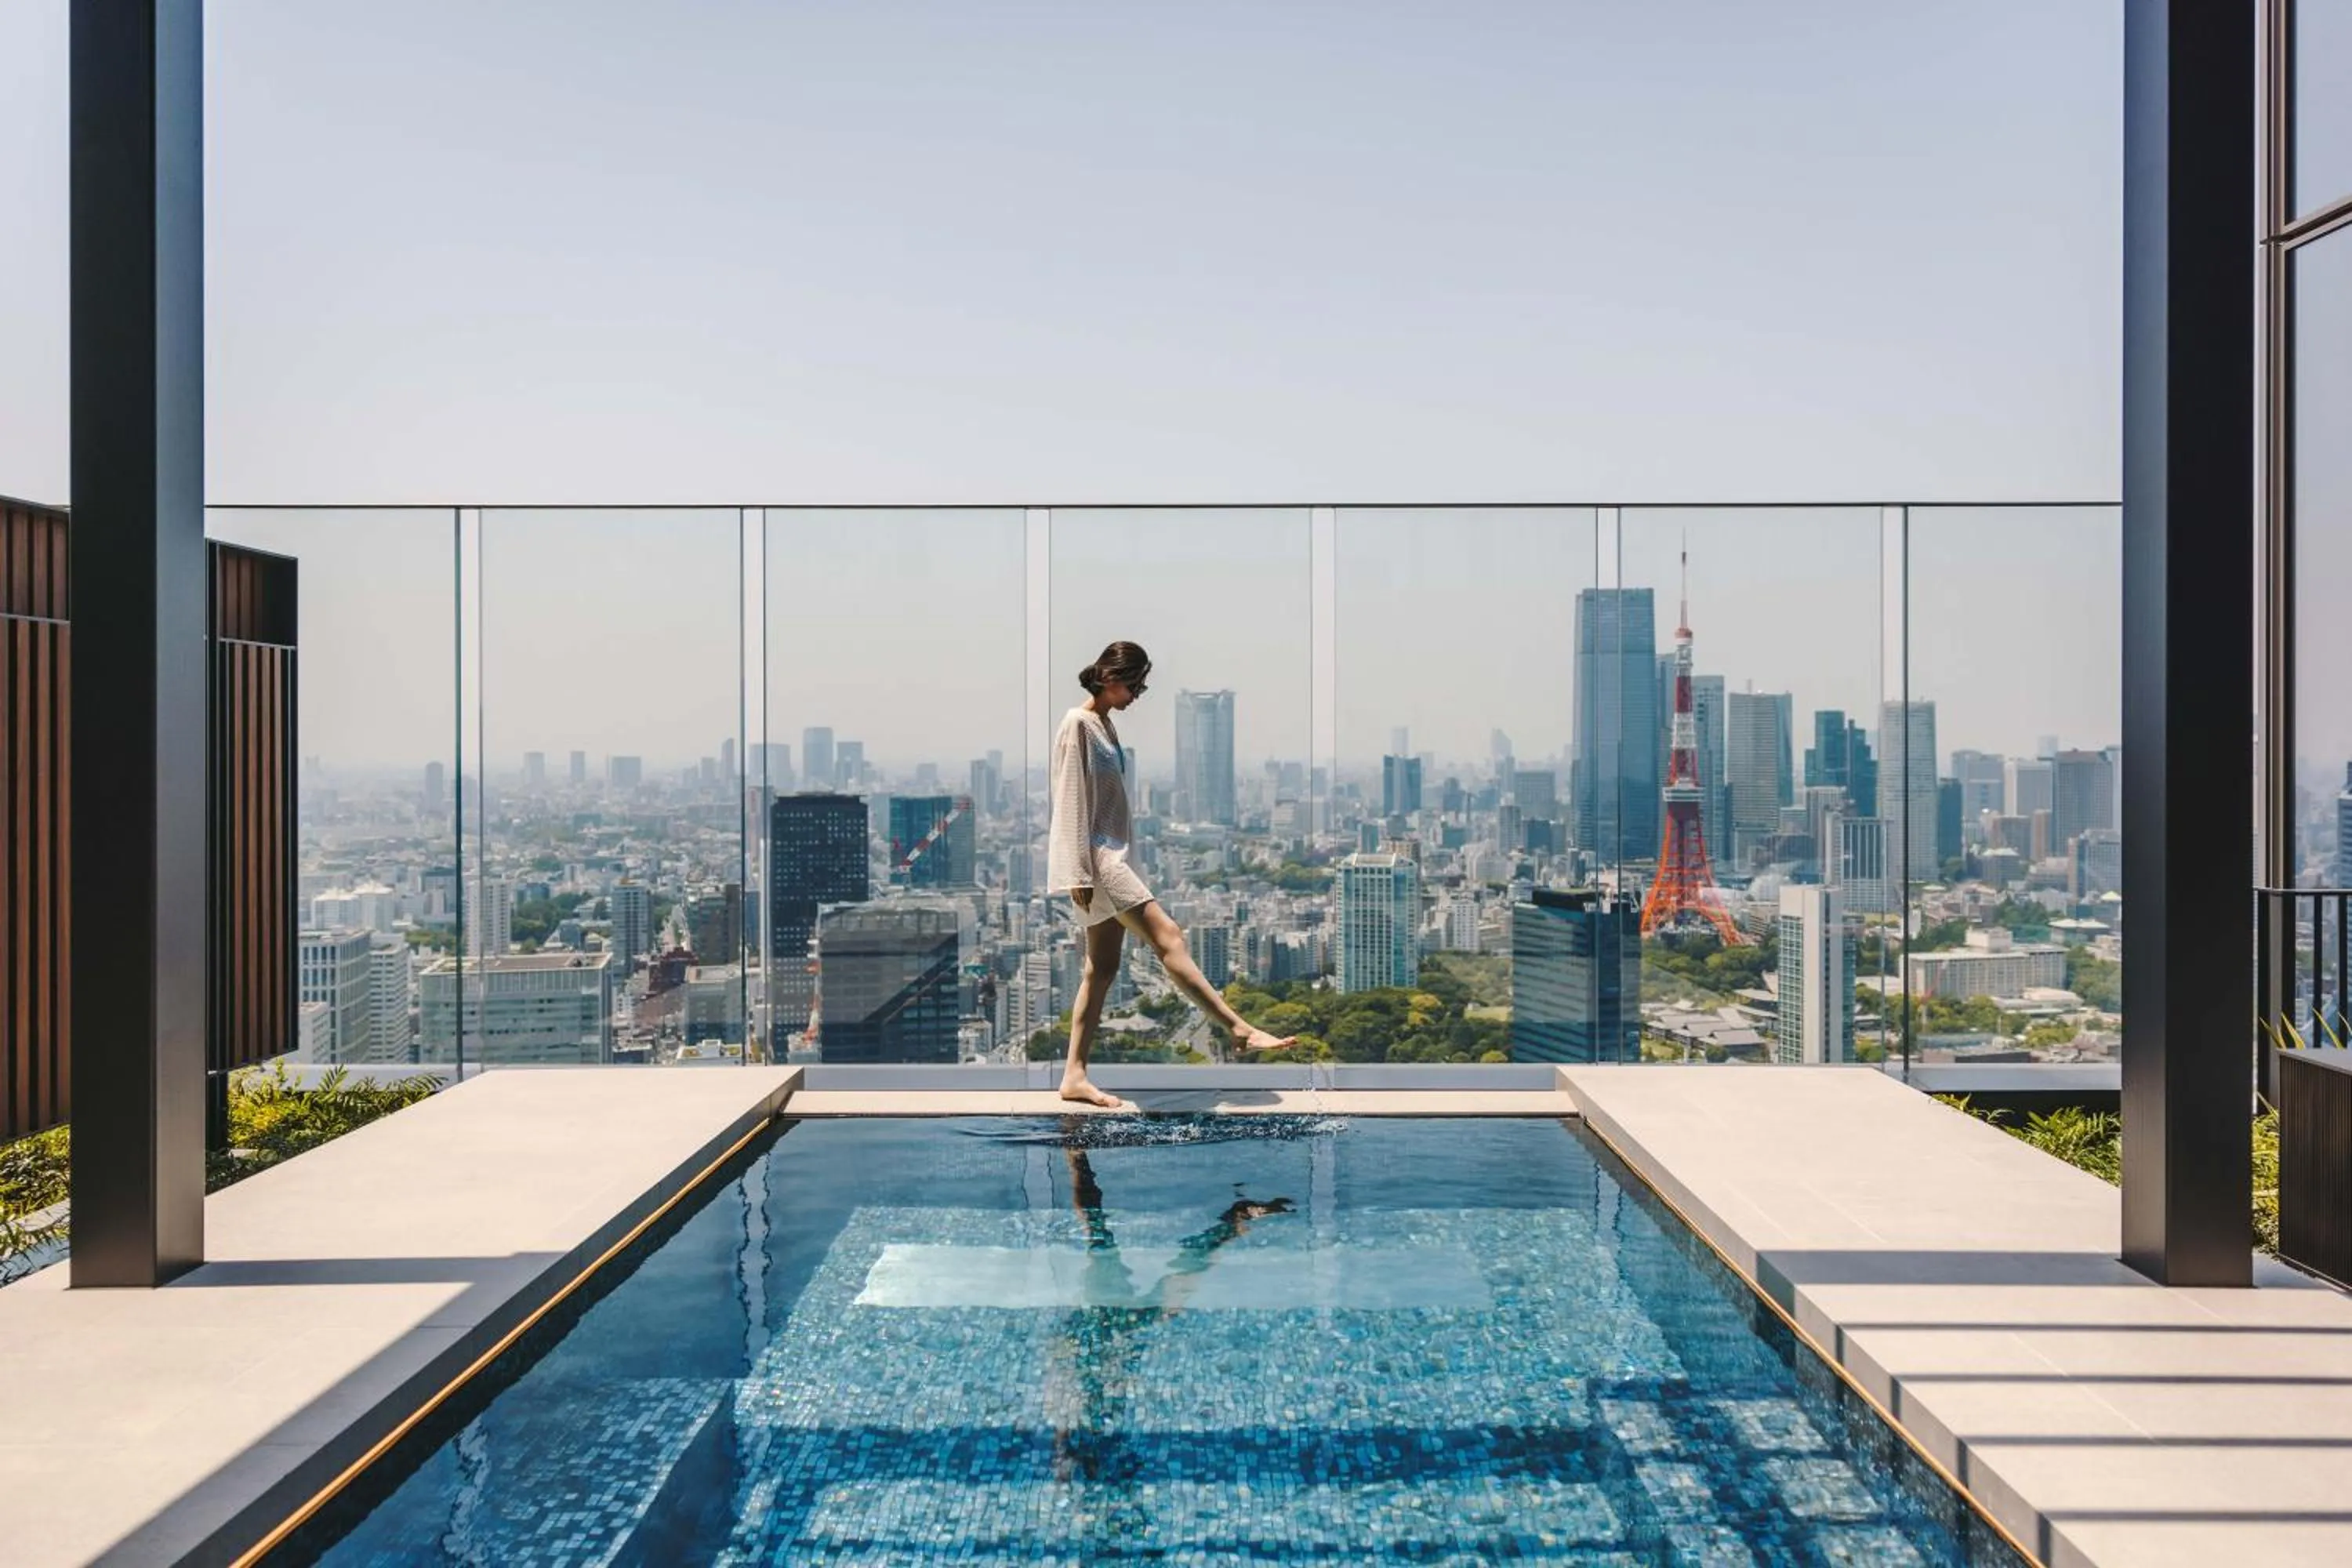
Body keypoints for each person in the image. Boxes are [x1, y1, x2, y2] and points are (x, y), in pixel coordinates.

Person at [1047, 641, 1298, 1109]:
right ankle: (1239, 1028)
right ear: (1110, 677)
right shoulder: (1077, 723)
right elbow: (1069, 799)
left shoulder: (1105, 724)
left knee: (1101, 968)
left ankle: (1073, 1076)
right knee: (1170, 938)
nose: (1137, 695)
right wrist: (1077, 871)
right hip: (1101, 862)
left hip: (1111, 857)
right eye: (1134, 685)